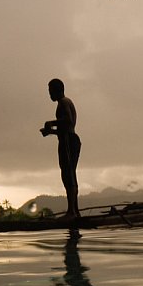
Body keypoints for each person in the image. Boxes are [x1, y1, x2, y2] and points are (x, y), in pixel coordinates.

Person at [40, 78, 81, 218]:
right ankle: (74, 211)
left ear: (58, 90)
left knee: (69, 175)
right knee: (67, 175)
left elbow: (68, 121)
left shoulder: (64, 102)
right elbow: (64, 128)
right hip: (67, 139)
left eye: (50, 91)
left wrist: (50, 123)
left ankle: (72, 211)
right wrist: (50, 132)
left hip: (69, 141)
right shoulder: (64, 103)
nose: (49, 94)